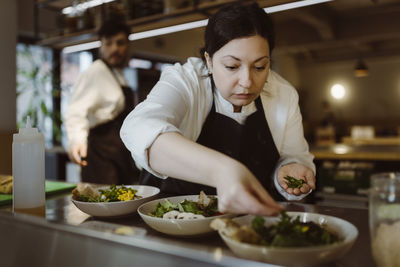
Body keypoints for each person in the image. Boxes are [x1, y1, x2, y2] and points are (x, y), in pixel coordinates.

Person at [120, 2, 315, 216]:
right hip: (173, 221)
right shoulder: (187, 80)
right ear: (209, 61)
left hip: (246, 224)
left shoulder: (283, 95)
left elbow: (295, 156)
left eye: (260, 67)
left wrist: (288, 169)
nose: (247, 81)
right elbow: (139, 127)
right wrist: (223, 171)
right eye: (232, 66)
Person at [65, 18, 139, 185]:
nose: (115, 49)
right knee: (104, 203)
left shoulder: (117, 74)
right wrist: (77, 140)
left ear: (127, 45)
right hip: (100, 153)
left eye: (120, 43)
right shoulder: (96, 71)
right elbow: (76, 111)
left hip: (118, 152)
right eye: (108, 43)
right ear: (101, 46)